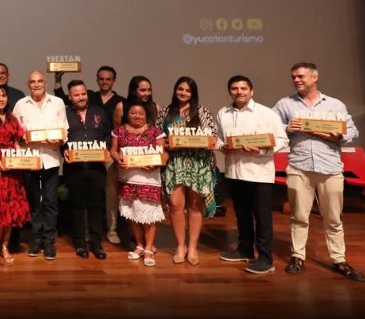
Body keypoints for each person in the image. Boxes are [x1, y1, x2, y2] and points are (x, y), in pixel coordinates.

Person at [273, 62, 365, 282]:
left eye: (301, 76)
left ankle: (339, 259)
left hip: (330, 167)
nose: (296, 80)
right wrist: (287, 128)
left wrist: (339, 136)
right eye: (293, 77)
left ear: (315, 78)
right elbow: (271, 128)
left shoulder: (335, 104)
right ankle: (297, 256)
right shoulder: (285, 104)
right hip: (299, 167)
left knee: (333, 218)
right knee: (298, 216)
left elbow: (352, 130)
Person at [215, 75, 289, 274]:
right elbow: (218, 138)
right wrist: (223, 147)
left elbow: (282, 140)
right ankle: (244, 250)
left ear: (251, 91)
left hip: (259, 173)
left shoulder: (266, 113)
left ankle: (265, 258)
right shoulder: (223, 113)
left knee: (262, 218)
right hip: (234, 172)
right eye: (234, 88)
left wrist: (262, 150)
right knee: (242, 215)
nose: (239, 92)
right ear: (229, 91)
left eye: (243, 88)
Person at [157, 76, 216, 265]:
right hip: (175, 163)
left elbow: (212, 137)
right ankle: (180, 246)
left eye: (188, 90)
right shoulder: (166, 112)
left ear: (193, 93)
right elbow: (158, 136)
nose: (183, 93)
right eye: (180, 89)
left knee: (195, 205)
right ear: (175, 90)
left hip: (198, 163)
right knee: (175, 205)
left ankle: (192, 248)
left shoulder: (201, 111)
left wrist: (202, 142)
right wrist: (166, 145)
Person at [13, 70, 67, 260]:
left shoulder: (57, 102)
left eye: (40, 81)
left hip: (51, 159)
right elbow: (15, 133)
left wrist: (59, 140)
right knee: (34, 201)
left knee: (51, 201)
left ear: (45, 83)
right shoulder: (21, 105)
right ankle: (36, 240)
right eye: (33, 82)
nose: (36, 84)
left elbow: (64, 129)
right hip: (29, 160)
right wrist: (22, 144)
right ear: (28, 85)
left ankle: (49, 241)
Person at [111, 101, 168, 267]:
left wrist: (156, 163)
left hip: (149, 179)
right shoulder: (119, 131)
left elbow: (163, 154)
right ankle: (140, 245)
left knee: (149, 216)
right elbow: (113, 150)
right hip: (127, 178)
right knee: (133, 213)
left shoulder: (156, 132)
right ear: (127, 114)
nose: (137, 116)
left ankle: (149, 248)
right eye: (133, 113)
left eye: (141, 113)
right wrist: (118, 159)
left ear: (146, 115)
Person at [62, 79, 112, 260]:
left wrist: (106, 148)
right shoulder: (64, 113)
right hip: (74, 168)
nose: (81, 97)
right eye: (76, 95)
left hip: (96, 167)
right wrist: (64, 150)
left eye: (83, 94)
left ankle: (96, 244)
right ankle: (80, 244)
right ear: (70, 97)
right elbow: (60, 137)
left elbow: (108, 134)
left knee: (96, 205)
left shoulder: (98, 112)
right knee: (77, 205)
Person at [0, 85, 28, 265]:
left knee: (10, 209)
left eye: (3, 96)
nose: (1, 99)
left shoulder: (12, 118)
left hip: (12, 169)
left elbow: (16, 142)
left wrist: (23, 159)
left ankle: (4, 246)